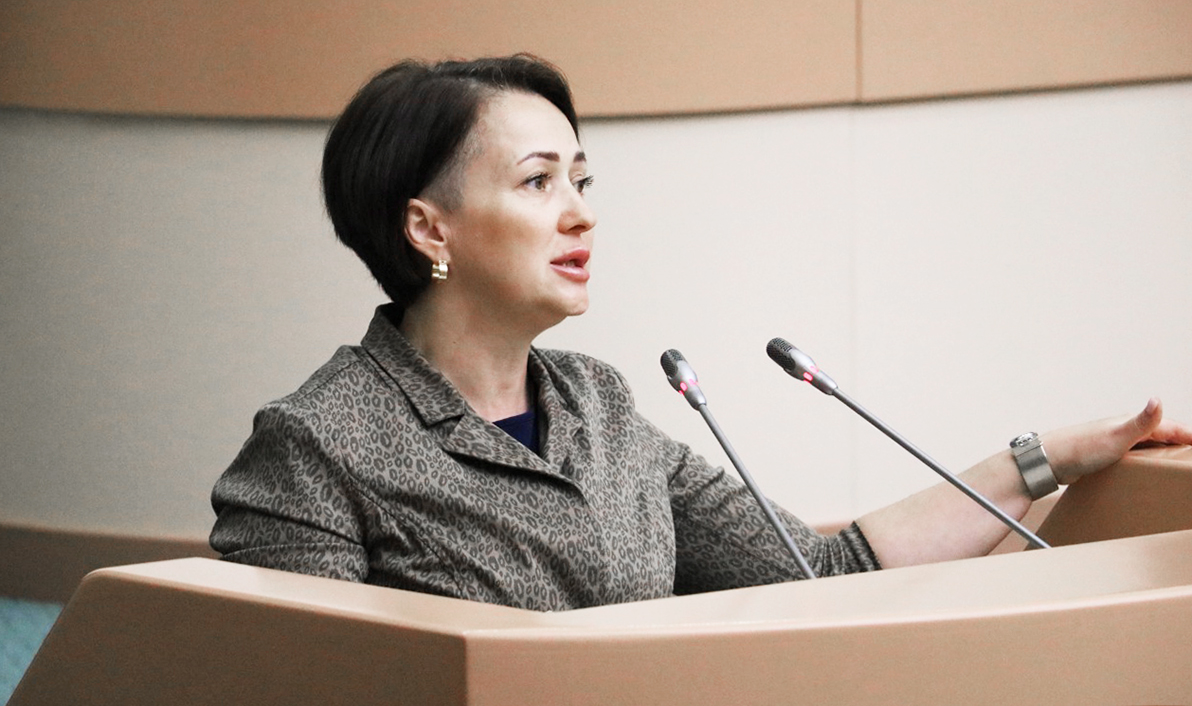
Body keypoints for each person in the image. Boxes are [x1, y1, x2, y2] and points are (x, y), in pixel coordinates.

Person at [210, 54, 1192, 611]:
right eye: (538, 181)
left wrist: (1042, 458)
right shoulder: (315, 445)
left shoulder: (597, 403)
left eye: (582, 180)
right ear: (429, 228)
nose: (581, 212)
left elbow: (821, 574)